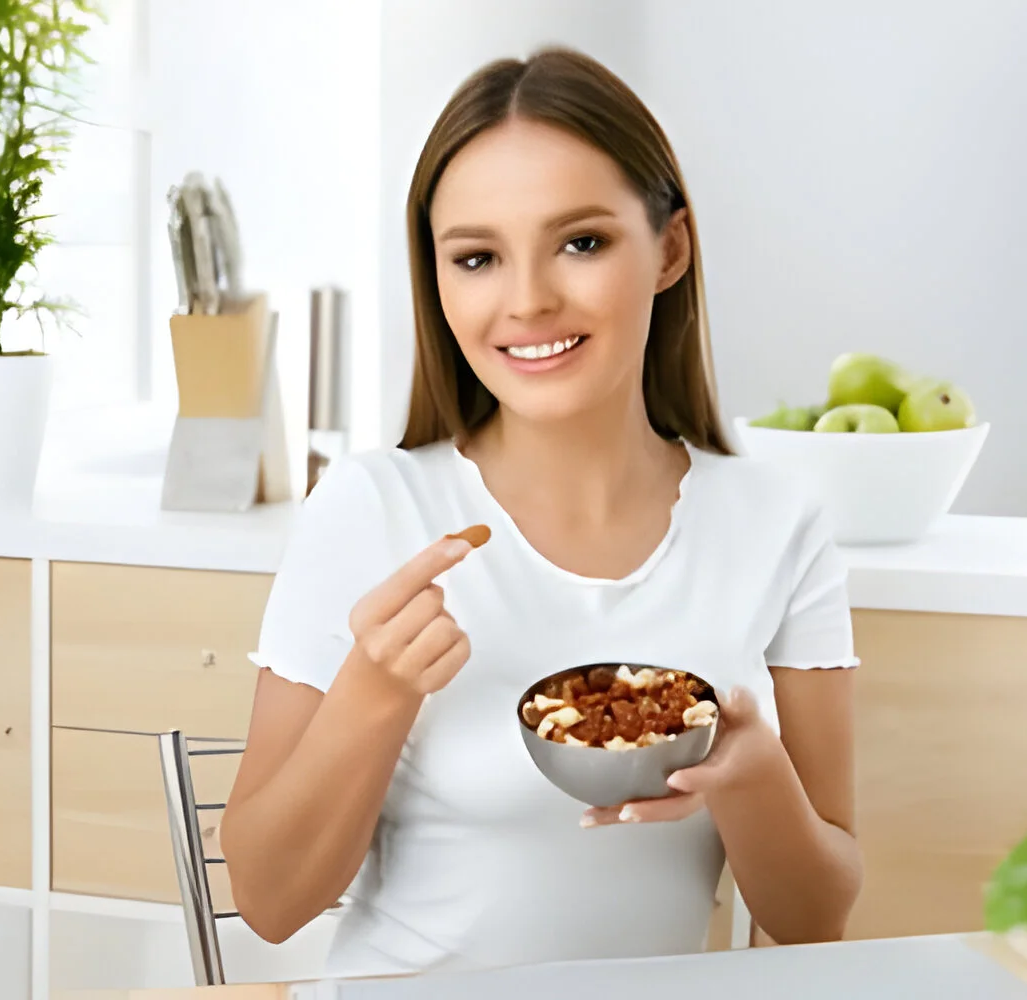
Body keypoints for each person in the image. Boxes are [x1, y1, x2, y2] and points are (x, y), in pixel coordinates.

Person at [220, 46, 862, 979]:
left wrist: (755, 777)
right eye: (477, 258)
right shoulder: (370, 511)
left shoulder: (777, 524)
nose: (526, 300)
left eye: (582, 242)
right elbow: (270, 904)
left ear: (670, 250)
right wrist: (377, 690)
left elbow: (812, 929)